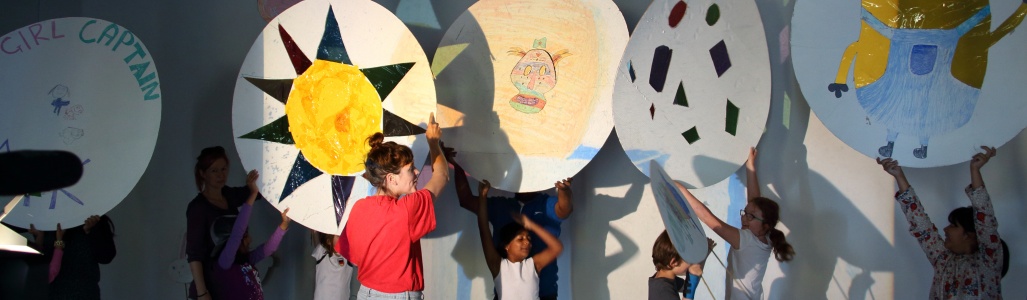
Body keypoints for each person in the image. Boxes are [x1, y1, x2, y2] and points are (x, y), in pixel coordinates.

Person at [337, 113, 448, 299]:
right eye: (410, 169)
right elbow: (442, 176)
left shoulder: (359, 208)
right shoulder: (405, 209)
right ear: (391, 178)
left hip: (365, 293)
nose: (417, 172)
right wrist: (433, 143)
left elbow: (351, 255)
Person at [877, 146, 1009, 298]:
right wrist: (899, 176)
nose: (945, 229)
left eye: (954, 225)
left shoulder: (988, 262)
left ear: (970, 234)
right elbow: (922, 226)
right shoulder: (943, 260)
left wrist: (975, 170)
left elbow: (985, 218)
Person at [446, 147, 573, 300]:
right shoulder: (501, 206)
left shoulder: (546, 203)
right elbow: (467, 201)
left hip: (546, 293)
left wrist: (564, 190)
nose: (526, 242)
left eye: (529, 175)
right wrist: (456, 165)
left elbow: (564, 209)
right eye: (520, 175)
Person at [673, 148, 794, 300]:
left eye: (750, 217)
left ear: (766, 225)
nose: (744, 219)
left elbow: (709, 219)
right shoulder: (767, 236)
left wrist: (681, 191)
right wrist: (751, 165)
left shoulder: (746, 239)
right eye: (745, 213)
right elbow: (754, 202)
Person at [186, 146, 260, 300]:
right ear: (203, 173)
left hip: (233, 282)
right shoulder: (198, 207)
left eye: (224, 169)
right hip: (211, 285)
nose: (221, 175)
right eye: (214, 171)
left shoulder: (229, 195)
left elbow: (258, 192)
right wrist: (202, 293)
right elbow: (194, 253)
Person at [476, 180, 563, 300]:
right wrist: (482, 196)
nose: (527, 242)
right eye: (520, 239)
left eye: (529, 238)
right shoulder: (497, 265)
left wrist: (531, 226)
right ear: (507, 245)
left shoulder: (533, 265)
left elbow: (557, 247)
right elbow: (483, 228)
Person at [207, 193, 290, 300]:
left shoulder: (246, 261)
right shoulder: (224, 263)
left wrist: (284, 224)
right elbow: (237, 233)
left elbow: (268, 249)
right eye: (245, 236)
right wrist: (253, 194)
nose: (250, 240)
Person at [28, 215, 116, 300]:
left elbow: (106, 256)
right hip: (51, 293)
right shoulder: (43, 215)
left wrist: (92, 231)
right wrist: (39, 237)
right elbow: (39, 264)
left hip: (84, 293)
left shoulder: (92, 216)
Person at [648, 231, 715, 300]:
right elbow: (689, 288)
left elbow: (687, 287)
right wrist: (693, 277)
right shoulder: (663, 291)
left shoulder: (664, 279)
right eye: (689, 257)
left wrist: (702, 257)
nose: (692, 261)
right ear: (674, 262)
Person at [312, 231, 355, 300]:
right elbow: (316, 240)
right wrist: (314, 232)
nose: (342, 238)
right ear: (329, 241)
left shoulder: (349, 255)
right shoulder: (322, 252)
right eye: (338, 236)